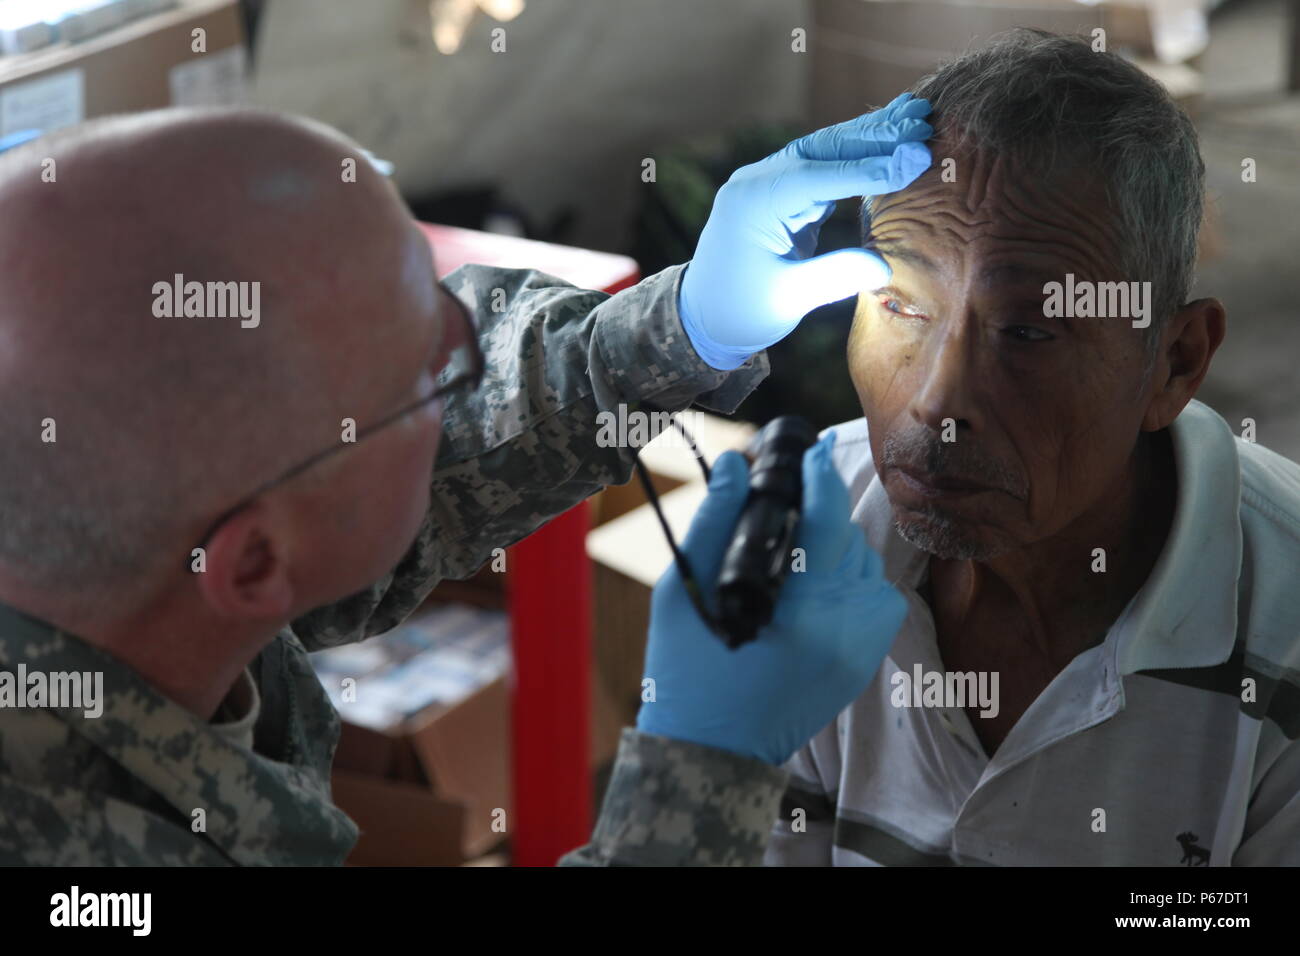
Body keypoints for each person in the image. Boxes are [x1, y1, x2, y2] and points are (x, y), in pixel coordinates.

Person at [0, 97, 930, 865]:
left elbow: (403, 469)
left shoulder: (121, 558)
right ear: (250, 569)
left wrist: (684, 327)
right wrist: (705, 771)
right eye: (432, 373)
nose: (470, 357)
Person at [573, 30, 1300, 868]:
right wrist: (707, 764)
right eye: (900, 305)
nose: (937, 403)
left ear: (1175, 363)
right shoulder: (805, 560)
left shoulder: (1278, 636)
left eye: (1029, 330)